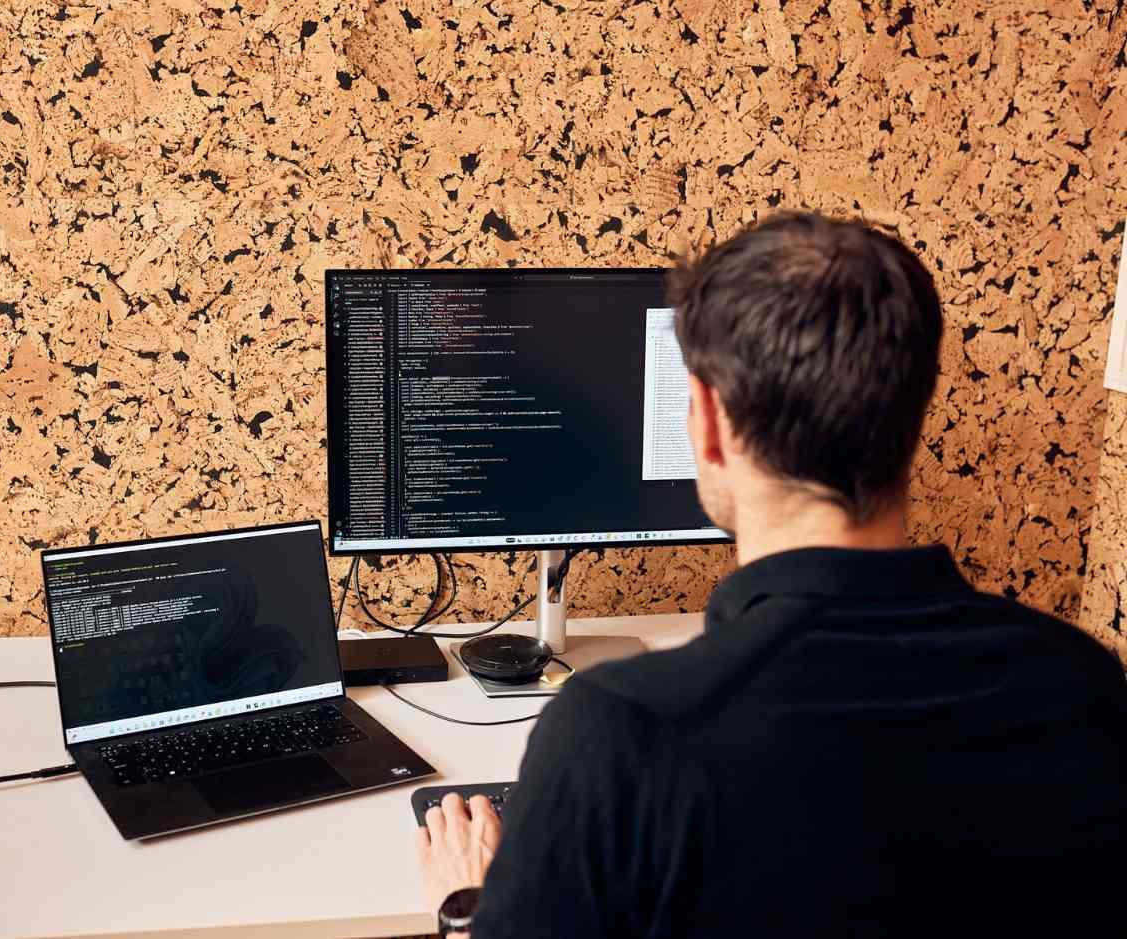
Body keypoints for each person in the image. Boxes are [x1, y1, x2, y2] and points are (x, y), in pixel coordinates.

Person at [414, 211, 1127, 938]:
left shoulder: (621, 734)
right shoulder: (1082, 687)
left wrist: (469, 904)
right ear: (912, 417)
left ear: (707, 424)